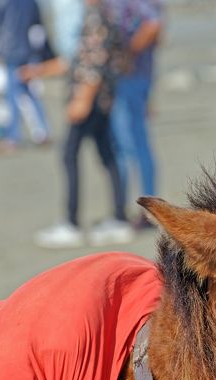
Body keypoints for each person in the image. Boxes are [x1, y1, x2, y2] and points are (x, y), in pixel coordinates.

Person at [21, 0, 134, 249]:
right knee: (107, 156)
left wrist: (82, 99)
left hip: (90, 100)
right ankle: (118, 217)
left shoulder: (96, 17)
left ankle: (72, 223)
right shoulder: (100, 15)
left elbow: (96, 63)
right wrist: (39, 70)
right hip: (98, 99)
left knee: (69, 155)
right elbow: (78, 60)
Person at [107, 0, 162, 224]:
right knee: (129, 144)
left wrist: (126, 55)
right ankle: (140, 209)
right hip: (133, 78)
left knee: (131, 145)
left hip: (131, 79)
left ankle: (141, 210)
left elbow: (154, 26)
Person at [0, 0, 52, 150]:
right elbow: (38, 25)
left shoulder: (4, 3)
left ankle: (12, 136)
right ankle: (43, 131)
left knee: (12, 94)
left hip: (12, 51)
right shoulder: (31, 2)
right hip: (27, 51)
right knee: (28, 91)